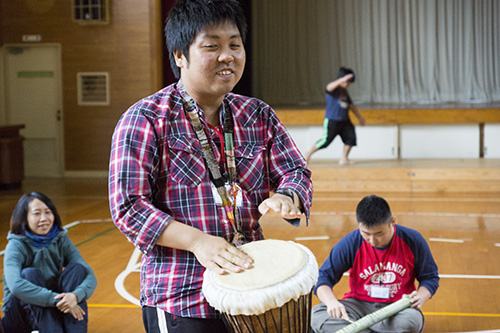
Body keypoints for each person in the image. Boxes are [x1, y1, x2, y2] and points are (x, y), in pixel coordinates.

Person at [108, 0, 313, 332]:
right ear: (178, 55)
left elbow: (295, 171)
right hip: (182, 296)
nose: (227, 56)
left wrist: (289, 196)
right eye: (211, 46)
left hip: (251, 290)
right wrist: (197, 242)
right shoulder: (145, 119)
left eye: (235, 44)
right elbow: (128, 207)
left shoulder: (257, 114)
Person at [311, 195, 439, 333]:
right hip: (358, 306)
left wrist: (421, 296)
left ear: (393, 221)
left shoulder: (413, 240)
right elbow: (323, 277)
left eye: (379, 233)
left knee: (410, 322)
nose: (372, 240)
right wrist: (331, 302)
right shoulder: (351, 242)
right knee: (317, 315)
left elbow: (430, 277)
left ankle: (357, 329)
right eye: (366, 233)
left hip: (396, 309)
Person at [2, 192, 97, 333]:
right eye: (36, 213)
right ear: (24, 218)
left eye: (48, 212)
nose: (44, 218)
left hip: (53, 310)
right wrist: (58, 300)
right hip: (20, 315)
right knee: (29, 274)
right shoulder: (15, 245)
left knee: (77, 270)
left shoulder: (60, 239)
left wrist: (75, 296)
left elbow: (89, 275)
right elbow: (16, 286)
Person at [305, 67, 366, 165]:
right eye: (348, 82)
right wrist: (342, 79)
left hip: (345, 120)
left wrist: (359, 117)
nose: (348, 85)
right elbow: (328, 87)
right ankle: (308, 154)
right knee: (325, 141)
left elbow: (351, 105)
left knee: (351, 138)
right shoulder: (333, 89)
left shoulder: (344, 92)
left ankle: (344, 158)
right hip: (332, 120)